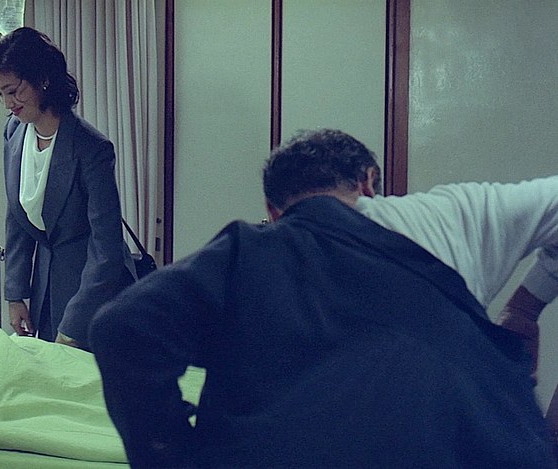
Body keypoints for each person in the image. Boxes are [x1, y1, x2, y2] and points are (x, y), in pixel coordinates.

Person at [90, 129, 558, 468]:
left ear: (273, 211)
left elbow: (121, 327)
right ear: (370, 182)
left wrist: (170, 457)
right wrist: (525, 306)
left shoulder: (248, 254)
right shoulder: (455, 215)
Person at [0, 27, 135, 350]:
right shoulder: (14, 132)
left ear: (43, 79)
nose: (7, 104)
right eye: (0, 93)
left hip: (95, 294)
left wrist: (74, 325)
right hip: (46, 286)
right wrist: (16, 294)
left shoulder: (91, 148)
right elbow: (16, 216)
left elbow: (107, 249)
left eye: (13, 91)